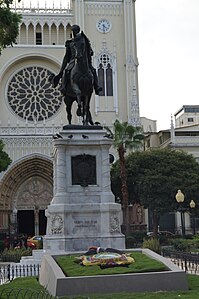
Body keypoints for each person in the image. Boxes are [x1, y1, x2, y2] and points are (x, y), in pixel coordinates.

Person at [51, 24, 102, 95]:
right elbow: (66, 56)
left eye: (75, 31)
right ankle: (63, 87)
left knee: (93, 71)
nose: (74, 32)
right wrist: (62, 69)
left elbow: (91, 51)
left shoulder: (84, 41)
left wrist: (89, 51)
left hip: (84, 61)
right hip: (73, 60)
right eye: (73, 31)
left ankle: (97, 86)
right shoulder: (70, 43)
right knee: (66, 71)